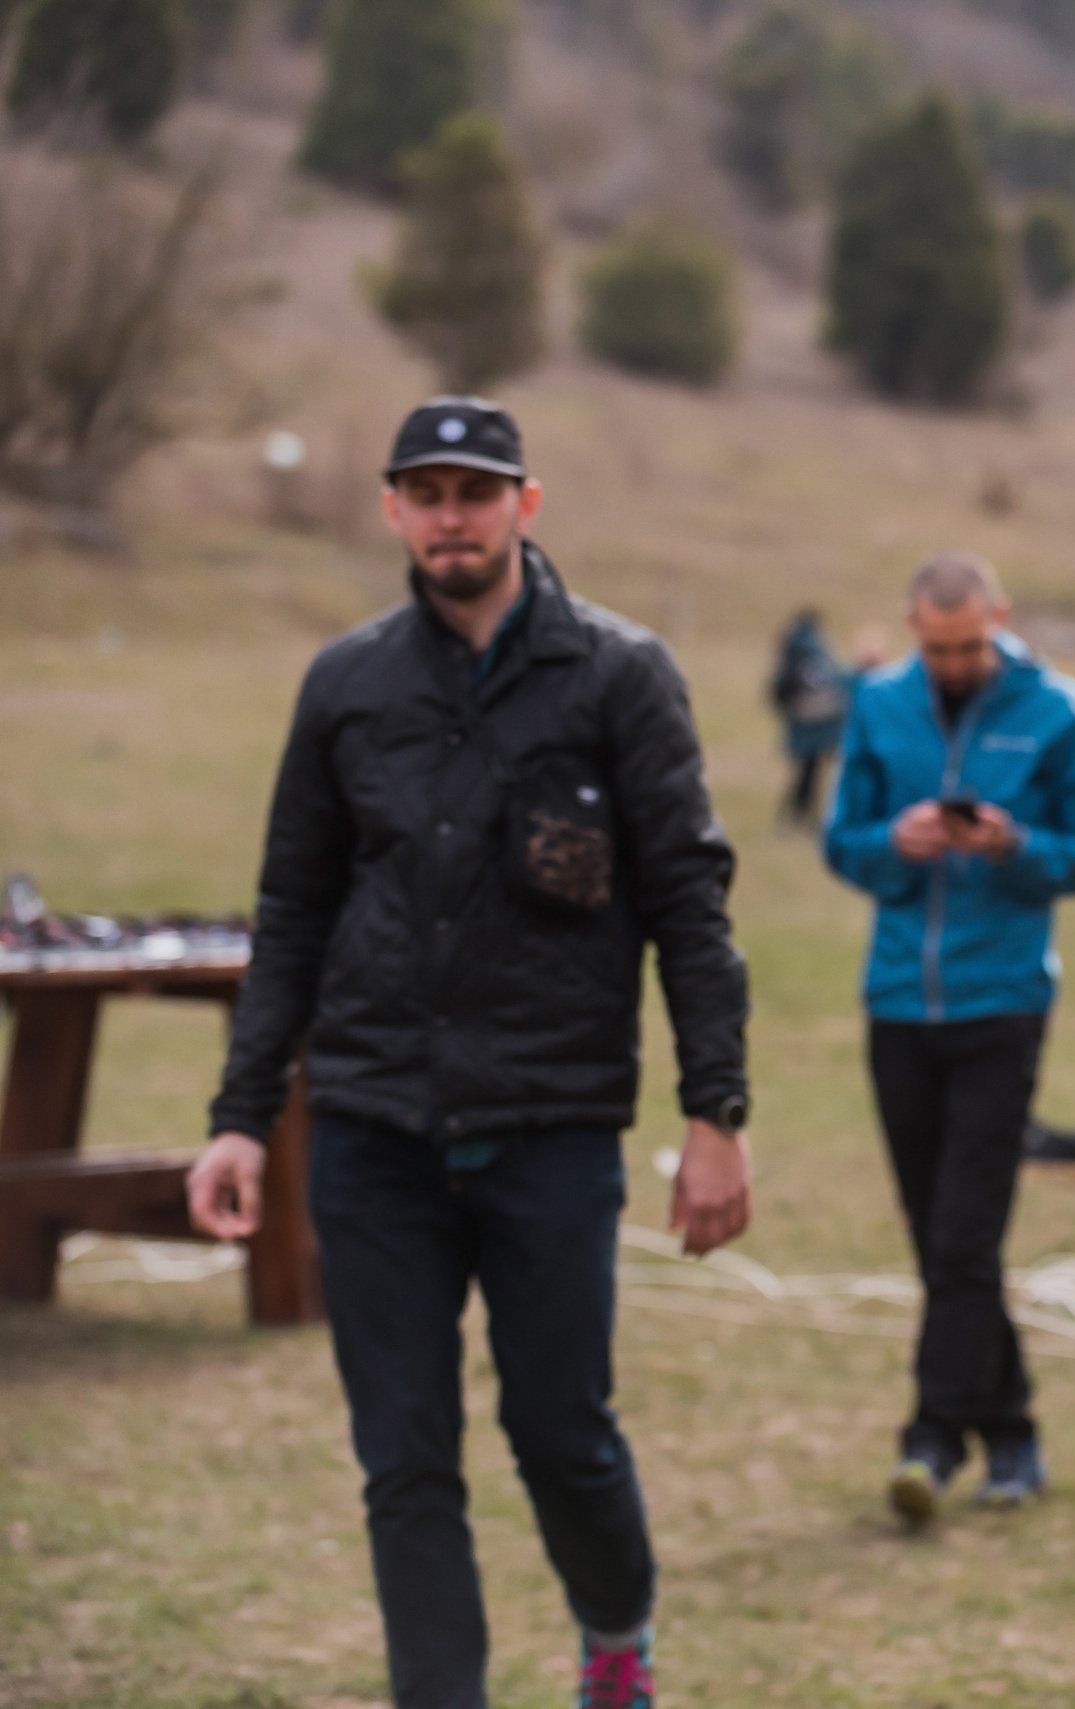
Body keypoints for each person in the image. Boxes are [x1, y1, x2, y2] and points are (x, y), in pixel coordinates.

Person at [187, 397, 753, 1709]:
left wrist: (715, 1112)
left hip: (552, 1126)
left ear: (523, 505)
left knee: (561, 1433)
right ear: (393, 508)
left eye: (476, 492)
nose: (452, 516)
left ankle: (615, 1636)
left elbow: (689, 905)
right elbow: (292, 910)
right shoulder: (346, 684)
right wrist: (240, 1116)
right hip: (371, 1128)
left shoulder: (620, 674)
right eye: (427, 493)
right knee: (404, 1457)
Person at [824, 552, 1075, 1524]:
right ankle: (1012, 1432)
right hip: (896, 1004)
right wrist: (892, 842)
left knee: (962, 1235)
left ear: (998, 616)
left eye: (967, 645)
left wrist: (1011, 844)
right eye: (935, 647)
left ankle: (931, 1436)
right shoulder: (878, 703)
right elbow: (842, 839)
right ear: (913, 629)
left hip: (1002, 1005)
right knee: (939, 1237)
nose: (952, 663)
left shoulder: (1057, 710)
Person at [770, 608, 847, 828]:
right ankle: (806, 816)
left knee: (805, 772)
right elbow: (828, 678)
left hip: (800, 718)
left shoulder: (791, 647)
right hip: (819, 722)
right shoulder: (813, 648)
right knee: (814, 772)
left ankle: (798, 815)